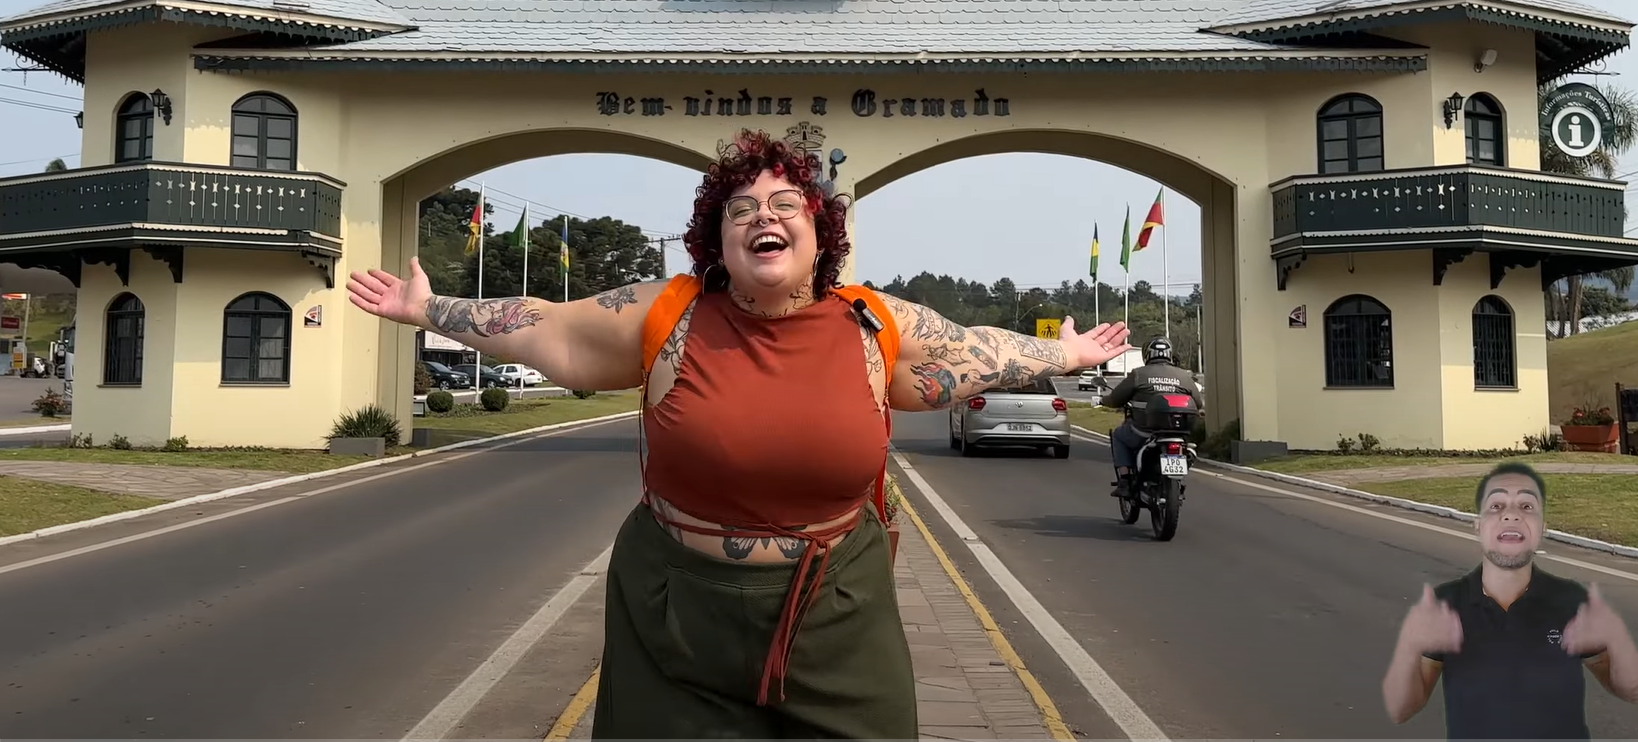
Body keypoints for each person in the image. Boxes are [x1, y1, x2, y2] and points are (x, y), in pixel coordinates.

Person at [346, 128, 1132, 739]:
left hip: (838, 608)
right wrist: (429, 309)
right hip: (675, 618)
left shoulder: (874, 325)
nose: (766, 215)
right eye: (742, 208)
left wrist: (1068, 351)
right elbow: (538, 325)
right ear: (716, 242)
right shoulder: (667, 314)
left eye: (788, 204)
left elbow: (984, 350)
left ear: (820, 234)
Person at [1381, 461, 1638, 738]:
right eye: (1496, 506)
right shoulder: (1445, 603)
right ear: (1478, 526)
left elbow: (1629, 689)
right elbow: (1401, 710)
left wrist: (1616, 638)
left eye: (1526, 507)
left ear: (1542, 528)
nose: (1511, 515)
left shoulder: (1571, 600)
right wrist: (1410, 646)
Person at [1099, 335, 1204, 497]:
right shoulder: (1184, 376)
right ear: (1169, 354)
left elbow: (1115, 399)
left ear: (1147, 354)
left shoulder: (1139, 374)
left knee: (1119, 436)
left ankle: (1125, 480)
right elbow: (1198, 403)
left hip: (1143, 431)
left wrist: (1103, 400)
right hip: (1178, 432)